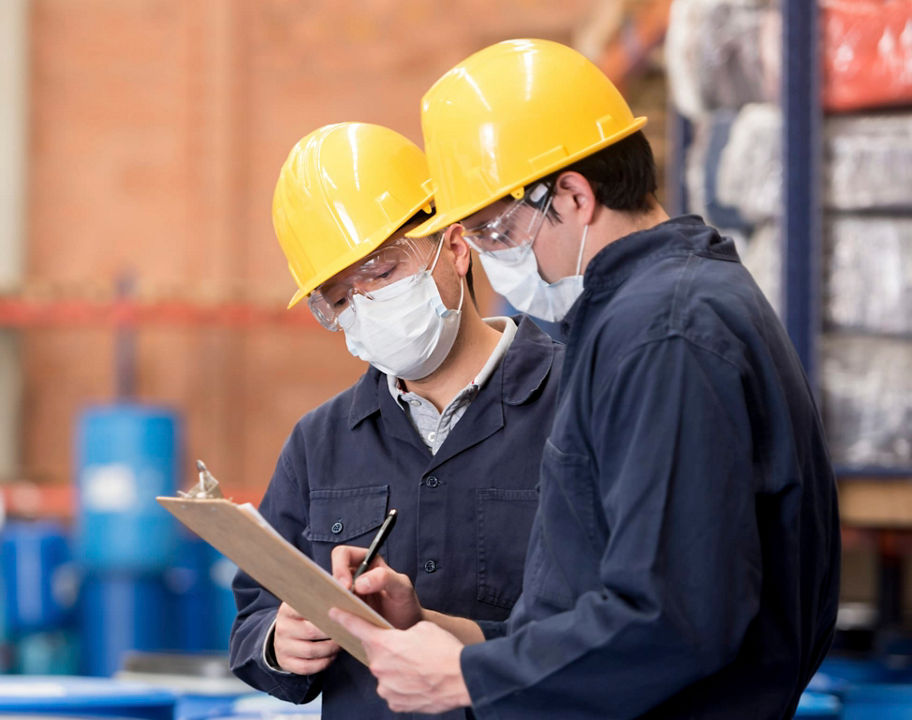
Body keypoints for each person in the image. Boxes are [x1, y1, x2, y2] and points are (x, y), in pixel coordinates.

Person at [328, 39, 840, 719]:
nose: (487, 260)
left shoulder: (665, 335)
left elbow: (673, 619)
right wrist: (438, 631)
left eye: (494, 232)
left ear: (571, 195)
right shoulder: (639, 319)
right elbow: (589, 615)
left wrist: (467, 680)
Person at [228, 121, 564, 720]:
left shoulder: (575, 405)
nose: (365, 305)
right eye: (338, 298)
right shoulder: (319, 443)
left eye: (381, 273)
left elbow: (612, 627)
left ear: (456, 248)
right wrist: (278, 644)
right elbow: (255, 612)